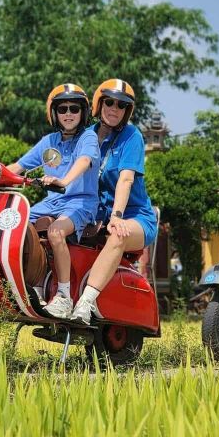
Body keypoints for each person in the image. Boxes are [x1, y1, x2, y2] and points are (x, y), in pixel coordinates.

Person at [0, 83, 99, 319]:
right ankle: (31, 284)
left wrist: (64, 180)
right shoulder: (49, 142)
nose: (68, 114)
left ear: (83, 112)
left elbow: (84, 161)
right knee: (15, 227)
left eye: (74, 109)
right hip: (53, 202)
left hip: (81, 202)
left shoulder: (88, 137)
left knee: (55, 232)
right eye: (62, 108)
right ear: (54, 113)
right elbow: (16, 168)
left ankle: (64, 297)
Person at [69, 79, 158, 324]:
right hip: (95, 215)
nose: (114, 109)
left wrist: (117, 217)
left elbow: (125, 180)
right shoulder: (86, 136)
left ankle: (85, 305)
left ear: (127, 111)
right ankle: (59, 295)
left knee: (119, 234)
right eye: (109, 102)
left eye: (121, 105)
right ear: (100, 103)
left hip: (135, 216)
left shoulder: (132, 136)